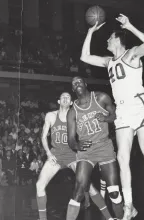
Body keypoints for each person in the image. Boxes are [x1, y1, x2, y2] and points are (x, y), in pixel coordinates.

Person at [80, 14, 143, 220]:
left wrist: (130, 26)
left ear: (117, 39)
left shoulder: (133, 54)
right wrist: (90, 32)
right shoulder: (109, 61)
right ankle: (129, 206)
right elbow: (85, 57)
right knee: (122, 159)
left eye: (109, 38)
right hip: (123, 113)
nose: (106, 41)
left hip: (140, 109)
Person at [36, 92, 115, 220]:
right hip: (56, 155)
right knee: (39, 185)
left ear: (72, 102)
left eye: (68, 97)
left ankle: (109, 217)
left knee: (90, 188)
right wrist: (48, 154)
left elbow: (93, 125)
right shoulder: (51, 116)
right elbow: (44, 136)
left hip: (73, 155)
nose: (66, 98)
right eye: (63, 97)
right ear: (58, 101)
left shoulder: (76, 116)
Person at [66, 77, 124, 220]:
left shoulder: (101, 97)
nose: (77, 84)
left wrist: (105, 119)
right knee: (78, 192)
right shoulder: (72, 111)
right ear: (73, 89)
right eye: (74, 84)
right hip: (86, 151)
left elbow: (115, 115)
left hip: (104, 146)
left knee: (114, 192)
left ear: (86, 84)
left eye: (79, 81)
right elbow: (71, 140)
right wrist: (76, 145)